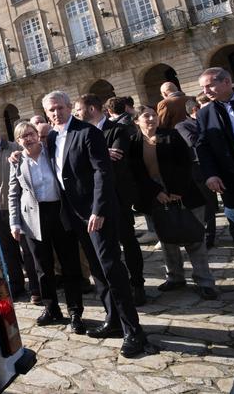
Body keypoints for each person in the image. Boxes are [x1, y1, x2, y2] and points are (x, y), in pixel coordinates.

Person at [42, 91, 152, 358]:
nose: (55, 113)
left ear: (70, 107)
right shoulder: (53, 137)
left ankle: (133, 330)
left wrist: (99, 209)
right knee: (97, 271)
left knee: (112, 268)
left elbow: (103, 171)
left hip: (97, 214)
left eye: (59, 108)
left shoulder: (88, 132)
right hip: (75, 216)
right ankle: (113, 320)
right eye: (50, 110)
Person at [129, 105, 218, 299]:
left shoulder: (172, 135)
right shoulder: (133, 142)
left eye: (154, 115)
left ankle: (204, 281)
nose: (152, 118)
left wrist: (177, 190)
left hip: (184, 191)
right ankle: (175, 277)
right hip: (155, 195)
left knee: (194, 238)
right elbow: (137, 173)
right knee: (167, 239)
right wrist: (156, 192)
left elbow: (185, 164)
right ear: (136, 121)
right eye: (147, 116)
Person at [8, 122, 86, 334]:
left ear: (37, 135)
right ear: (18, 141)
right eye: (23, 136)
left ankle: (75, 311)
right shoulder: (16, 161)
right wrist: (14, 223)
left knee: (70, 265)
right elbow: (13, 194)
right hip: (33, 217)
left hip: (60, 214)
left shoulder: (52, 153)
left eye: (31, 134)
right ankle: (51, 308)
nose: (28, 139)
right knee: (42, 267)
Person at [74, 94, 146, 305]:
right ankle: (117, 288)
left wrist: (93, 157)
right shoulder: (79, 134)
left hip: (118, 197)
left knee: (128, 241)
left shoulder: (118, 130)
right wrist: (102, 153)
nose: (77, 114)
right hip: (94, 201)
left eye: (79, 109)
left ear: (92, 109)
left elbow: (117, 161)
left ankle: (138, 284)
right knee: (108, 249)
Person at [0, 120, 40, 302]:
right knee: (7, 250)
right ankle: (17, 285)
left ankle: (36, 288)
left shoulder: (13, 149)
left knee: (27, 248)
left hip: (15, 205)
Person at [197, 67, 234, 245]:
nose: (205, 91)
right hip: (230, 175)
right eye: (203, 88)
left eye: (209, 86)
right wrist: (210, 174)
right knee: (233, 213)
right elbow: (203, 146)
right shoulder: (205, 113)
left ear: (226, 82)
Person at [175, 97, 218, 248]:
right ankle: (208, 237)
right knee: (207, 204)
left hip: (214, 164)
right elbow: (191, 141)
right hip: (198, 169)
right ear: (195, 110)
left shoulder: (204, 122)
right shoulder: (182, 125)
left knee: (218, 203)